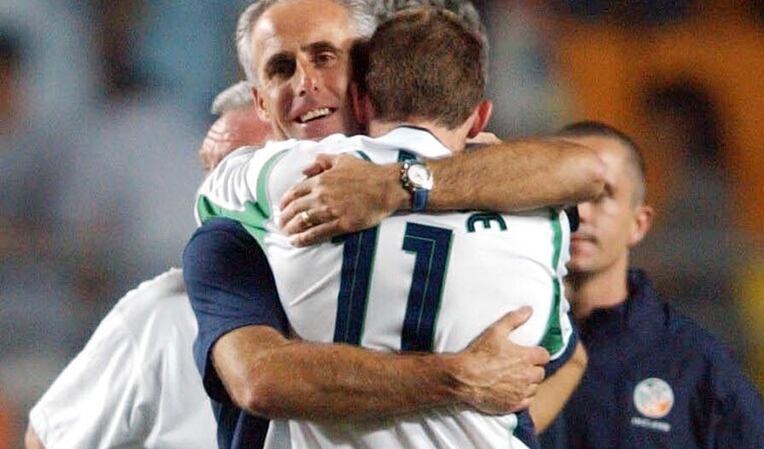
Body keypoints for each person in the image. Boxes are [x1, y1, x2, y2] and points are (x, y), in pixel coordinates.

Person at [189, 6, 587, 448]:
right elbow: (260, 379)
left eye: (324, 57)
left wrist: (396, 185)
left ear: (364, 78)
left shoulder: (497, 180)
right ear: (261, 100)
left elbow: (581, 169)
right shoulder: (230, 236)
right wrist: (461, 378)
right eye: (282, 69)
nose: (305, 83)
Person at [23, 82, 272, 449]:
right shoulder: (161, 316)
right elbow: (47, 440)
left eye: (244, 170)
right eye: (210, 173)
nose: (218, 196)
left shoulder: (360, 309)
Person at [538, 121, 764, 449]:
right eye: (563, 194)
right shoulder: (498, 348)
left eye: (600, 195)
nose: (578, 212)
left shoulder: (700, 369)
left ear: (639, 224)